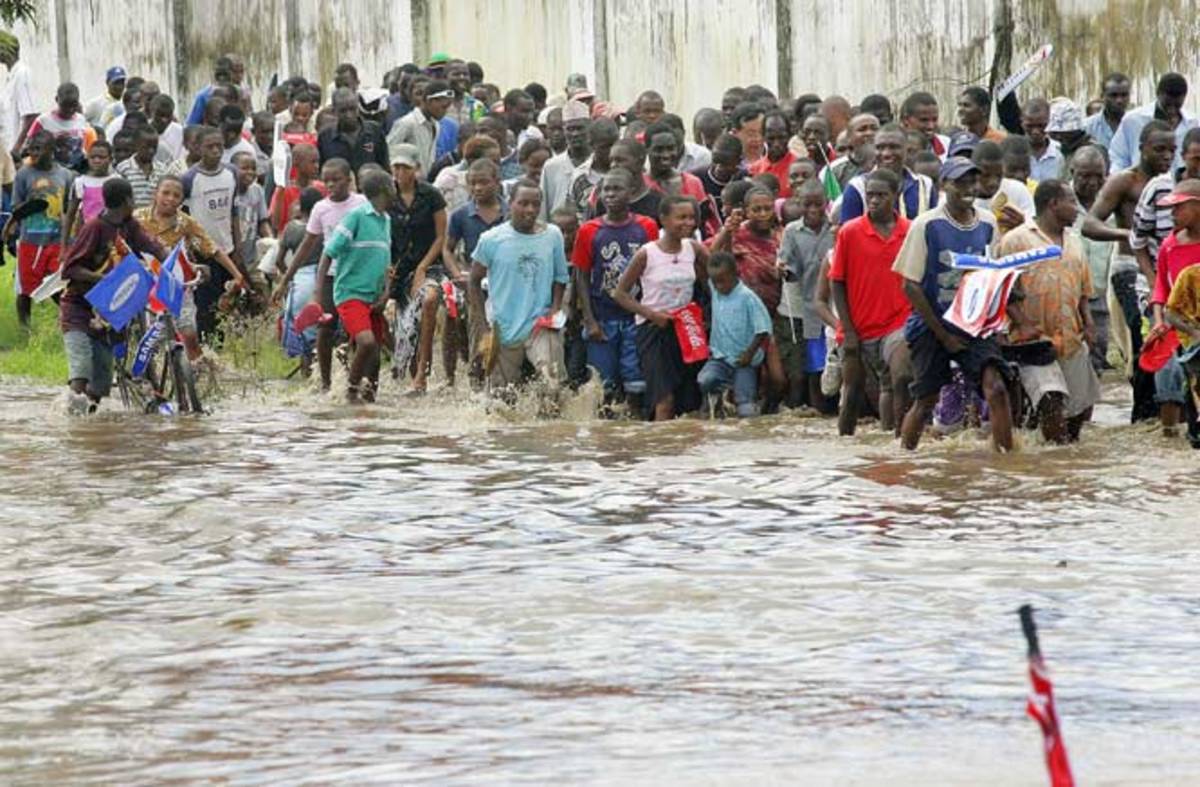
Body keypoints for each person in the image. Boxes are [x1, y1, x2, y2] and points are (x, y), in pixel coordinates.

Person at [892, 156, 1014, 452]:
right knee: (925, 400)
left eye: (972, 181)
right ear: (944, 185)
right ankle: (905, 457)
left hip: (974, 324)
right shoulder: (927, 225)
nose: (968, 188)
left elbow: (991, 275)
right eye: (960, 182)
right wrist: (944, 336)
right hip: (932, 324)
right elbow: (910, 285)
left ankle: (1007, 461)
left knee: (996, 388)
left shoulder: (987, 223)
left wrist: (998, 321)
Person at [1000, 179, 1101, 443]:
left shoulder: (1075, 242)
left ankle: (1064, 464)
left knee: (1080, 409)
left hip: (1071, 338)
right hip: (1033, 341)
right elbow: (1003, 290)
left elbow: (1083, 290)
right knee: (1051, 398)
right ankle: (1055, 463)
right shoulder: (1015, 240)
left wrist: (1089, 324)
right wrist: (1022, 324)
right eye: (1071, 202)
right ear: (1053, 204)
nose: (1077, 209)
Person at [58, 179, 169, 413]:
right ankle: (70, 426)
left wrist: (173, 261)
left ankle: (88, 425)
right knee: (81, 371)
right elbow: (69, 269)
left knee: (100, 385)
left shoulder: (129, 227)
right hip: (79, 309)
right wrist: (103, 280)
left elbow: (152, 246)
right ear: (128, 200)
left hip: (109, 312)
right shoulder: (95, 228)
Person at [1088, 120, 1174, 419]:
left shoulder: (1175, 183)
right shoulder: (1125, 181)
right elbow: (1090, 223)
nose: (1166, 156)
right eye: (1159, 149)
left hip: (1166, 269)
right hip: (1128, 267)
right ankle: (1143, 415)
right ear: (1142, 149)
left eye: (1171, 151)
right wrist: (1130, 235)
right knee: (1145, 336)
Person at [830, 168, 913, 435]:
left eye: (881, 195)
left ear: (896, 196)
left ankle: (901, 444)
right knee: (852, 391)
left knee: (900, 377)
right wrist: (849, 330)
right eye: (870, 196)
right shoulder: (850, 232)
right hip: (858, 326)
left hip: (897, 323)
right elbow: (837, 282)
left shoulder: (911, 232)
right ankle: (845, 444)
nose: (874, 201)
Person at [613, 195, 710, 421]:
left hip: (686, 329)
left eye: (691, 218)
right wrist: (652, 315)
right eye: (681, 217)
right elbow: (620, 294)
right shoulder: (647, 253)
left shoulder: (693, 248)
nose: (688, 223)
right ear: (664, 219)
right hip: (653, 331)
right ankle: (658, 452)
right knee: (664, 401)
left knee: (688, 404)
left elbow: (717, 270)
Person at [273, 158, 366, 390]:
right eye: (327, 181)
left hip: (357, 275)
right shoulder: (321, 208)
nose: (331, 185)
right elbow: (307, 245)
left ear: (349, 180)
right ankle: (325, 382)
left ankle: (353, 377)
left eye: (336, 180)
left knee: (356, 328)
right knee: (326, 326)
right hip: (330, 275)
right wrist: (285, 280)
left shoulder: (362, 204)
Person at [468, 181, 568, 393]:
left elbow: (560, 278)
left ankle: (552, 426)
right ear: (510, 204)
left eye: (535, 204)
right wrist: (483, 327)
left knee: (553, 385)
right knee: (501, 399)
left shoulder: (553, 235)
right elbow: (473, 281)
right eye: (523, 203)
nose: (530, 210)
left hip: (540, 324)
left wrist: (555, 308)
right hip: (503, 327)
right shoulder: (491, 239)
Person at [573, 169, 658, 412]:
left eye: (616, 189)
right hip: (603, 316)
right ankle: (605, 434)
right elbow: (581, 276)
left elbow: (653, 270)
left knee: (636, 379)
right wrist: (589, 320)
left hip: (636, 317)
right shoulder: (589, 230)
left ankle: (634, 427)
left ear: (631, 194)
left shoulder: (646, 226)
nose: (610, 194)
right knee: (603, 383)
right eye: (605, 189)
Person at [137, 175, 245, 360]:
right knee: (152, 336)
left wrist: (237, 275)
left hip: (179, 282)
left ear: (181, 200)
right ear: (156, 194)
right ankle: (147, 376)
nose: (170, 199)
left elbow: (212, 248)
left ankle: (194, 377)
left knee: (189, 333)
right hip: (147, 282)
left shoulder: (185, 222)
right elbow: (121, 247)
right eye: (166, 193)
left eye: (176, 195)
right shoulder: (137, 219)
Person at [318, 170, 396, 403]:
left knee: (374, 356)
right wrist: (317, 293)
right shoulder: (357, 217)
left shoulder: (386, 220)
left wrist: (386, 292)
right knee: (366, 342)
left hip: (374, 297)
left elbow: (386, 262)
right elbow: (328, 254)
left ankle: (369, 403)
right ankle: (350, 393)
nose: (396, 190)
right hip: (350, 293)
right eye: (392, 186)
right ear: (384, 190)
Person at [708, 184, 787, 407]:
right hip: (739, 319)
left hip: (771, 317)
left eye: (767, 209)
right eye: (756, 209)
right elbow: (713, 256)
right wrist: (727, 230)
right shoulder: (738, 233)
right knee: (743, 373)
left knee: (778, 379)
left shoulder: (781, 236)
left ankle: (768, 415)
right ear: (746, 210)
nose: (762, 214)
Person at [389, 143, 448, 394]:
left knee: (430, 298)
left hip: (428, 265)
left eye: (406, 167)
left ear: (416, 169)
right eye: (397, 167)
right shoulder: (386, 195)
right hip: (396, 269)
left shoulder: (431, 195)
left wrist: (423, 268)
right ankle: (403, 367)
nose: (400, 173)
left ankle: (424, 370)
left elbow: (440, 237)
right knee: (399, 322)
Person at [446, 159, 507, 387]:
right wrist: (456, 274)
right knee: (477, 331)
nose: (477, 188)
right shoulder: (461, 215)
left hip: (504, 283)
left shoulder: (511, 211)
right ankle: (475, 382)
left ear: (497, 182)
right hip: (474, 283)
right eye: (472, 183)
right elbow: (447, 249)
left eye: (483, 182)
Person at [1147, 179, 1200, 436]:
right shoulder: (1170, 245)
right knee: (1167, 380)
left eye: (1179, 208)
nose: (1173, 214)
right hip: (1175, 324)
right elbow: (1161, 288)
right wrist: (1158, 321)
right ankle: (1169, 436)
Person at [778, 181, 835, 412]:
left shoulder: (836, 229)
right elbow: (789, 267)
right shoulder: (792, 231)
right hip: (810, 307)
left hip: (836, 305)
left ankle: (836, 410)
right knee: (815, 365)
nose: (813, 210)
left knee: (839, 362)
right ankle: (819, 412)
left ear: (826, 203)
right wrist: (783, 270)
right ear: (798, 203)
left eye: (818, 204)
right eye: (807, 204)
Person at [7, 131, 73, 327]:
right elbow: (16, 207)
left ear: (51, 150)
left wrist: (68, 239)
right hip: (30, 242)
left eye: (38, 148)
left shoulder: (65, 175)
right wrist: (30, 207)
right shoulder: (23, 175)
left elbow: (68, 209)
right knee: (26, 289)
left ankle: (69, 322)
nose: (32, 152)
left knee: (58, 284)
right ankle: (24, 329)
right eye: (30, 148)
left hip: (56, 241)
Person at [182, 127, 243, 335]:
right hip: (202, 253)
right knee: (205, 306)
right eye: (210, 147)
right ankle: (205, 348)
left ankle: (220, 346)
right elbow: (183, 218)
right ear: (198, 149)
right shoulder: (189, 179)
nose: (216, 151)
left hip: (226, 248)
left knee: (224, 303)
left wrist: (238, 247)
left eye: (219, 146)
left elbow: (234, 213)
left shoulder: (232, 173)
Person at [699, 251, 772, 417]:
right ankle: (717, 401)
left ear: (735, 274)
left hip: (743, 360)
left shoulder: (748, 297)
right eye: (715, 282)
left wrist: (749, 353)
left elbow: (763, 330)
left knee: (746, 409)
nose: (719, 286)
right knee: (705, 380)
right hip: (720, 357)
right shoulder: (715, 290)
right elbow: (704, 262)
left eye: (723, 282)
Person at [1069, 145, 1116, 372]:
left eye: (1099, 175)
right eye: (1085, 175)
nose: (1092, 182)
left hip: (1100, 296)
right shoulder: (1060, 205)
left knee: (1097, 359)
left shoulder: (1112, 206)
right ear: (1072, 173)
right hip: (1068, 297)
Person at [840, 124, 937, 222]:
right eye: (880, 148)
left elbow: (933, 227)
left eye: (894, 147)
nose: (886, 154)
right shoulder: (858, 187)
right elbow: (847, 233)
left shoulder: (925, 185)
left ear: (907, 150)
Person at [1109, 72, 1196, 172]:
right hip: (1142, 185)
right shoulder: (1133, 120)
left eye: (1177, 104)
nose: (1172, 109)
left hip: (1182, 185)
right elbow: (1118, 158)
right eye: (1167, 104)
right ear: (1158, 94)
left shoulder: (1193, 124)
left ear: (1184, 97)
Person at [643, 121, 718, 236]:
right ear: (646, 149)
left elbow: (704, 226)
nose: (666, 155)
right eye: (659, 149)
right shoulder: (641, 185)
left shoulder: (692, 183)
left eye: (670, 148)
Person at [387, 79, 453, 177]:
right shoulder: (407, 123)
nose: (445, 112)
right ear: (429, 101)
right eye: (443, 107)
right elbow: (388, 152)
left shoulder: (436, 125)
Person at [588, 139, 662, 223]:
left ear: (640, 161)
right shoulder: (603, 201)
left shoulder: (657, 202)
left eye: (620, 160)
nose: (613, 165)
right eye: (611, 160)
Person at [317, 88, 390, 172]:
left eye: (352, 109)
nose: (349, 115)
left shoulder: (374, 131)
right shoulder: (325, 137)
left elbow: (385, 167)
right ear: (334, 111)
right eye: (343, 111)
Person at [540, 101, 591, 219]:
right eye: (570, 129)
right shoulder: (551, 166)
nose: (575, 134)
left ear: (589, 128)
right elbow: (544, 210)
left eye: (579, 128)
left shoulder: (597, 163)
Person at [28, 82, 96, 170]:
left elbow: (83, 146)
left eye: (74, 105)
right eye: (65, 105)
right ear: (57, 99)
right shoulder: (43, 121)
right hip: (51, 172)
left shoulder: (81, 119)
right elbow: (29, 145)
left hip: (78, 170)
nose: (70, 110)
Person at [63, 140, 116, 241]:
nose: (97, 161)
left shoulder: (116, 181)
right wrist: (64, 247)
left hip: (111, 237)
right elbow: (70, 216)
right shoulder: (81, 182)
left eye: (102, 157)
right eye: (93, 157)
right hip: (87, 238)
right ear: (87, 158)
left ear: (110, 159)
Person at [269, 142, 325, 232]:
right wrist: (280, 192)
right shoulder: (284, 190)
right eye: (312, 162)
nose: (316, 166)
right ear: (296, 162)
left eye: (318, 162)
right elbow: (276, 224)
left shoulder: (321, 188)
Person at [232, 150, 272, 272]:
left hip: (251, 256)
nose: (250, 172)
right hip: (232, 256)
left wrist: (271, 242)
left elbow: (262, 221)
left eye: (253, 168)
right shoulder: (229, 192)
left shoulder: (257, 190)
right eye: (244, 168)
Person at [1, 32, 38, 160]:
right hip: (7, 151)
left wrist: (17, 148)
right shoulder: (10, 77)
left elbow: (32, 115)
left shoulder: (23, 73)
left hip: (17, 154)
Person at [692, 134, 746, 219]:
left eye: (725, 164)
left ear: (738, 161)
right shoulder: (696, 179)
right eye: (715, 161)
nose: (719, 168)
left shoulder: (743, 180)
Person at [820, 112, 879, 190]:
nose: (869, 133)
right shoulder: (834, 171)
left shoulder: (890, 162)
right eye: (862, 129)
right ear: (849, 138)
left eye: (874, 129)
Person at [115, 126, 169, 209]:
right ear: (135, 145)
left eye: (154, 147)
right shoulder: (124, 168)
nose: (151, 151)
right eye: (146, 147)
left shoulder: (162, 170)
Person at [749, 111, 797, 198]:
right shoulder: (754, 169)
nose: (776, 144)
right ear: (763, 136)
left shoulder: (798, 168)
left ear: (789, 136)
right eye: (771, 138)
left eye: (781, 138)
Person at [1083, 73, 1131, 152]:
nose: (1119, 100)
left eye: (1124, 95)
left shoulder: (1137, 124)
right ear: (1102, 96)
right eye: (1113, 95)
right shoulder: (1086, 127)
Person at [1022, 98, 1065, 182]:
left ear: (1049, 122)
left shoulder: (1059, 154)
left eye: (1041, 126)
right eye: (1029, 126)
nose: (1035, 131)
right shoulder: (1015, 152)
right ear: (1022, 122)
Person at [899, 91, 950, 158]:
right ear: (905, 120)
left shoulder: (947, 145)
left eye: (934, 120)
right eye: (924, 120)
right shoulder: (893, 147)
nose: (931, 126)